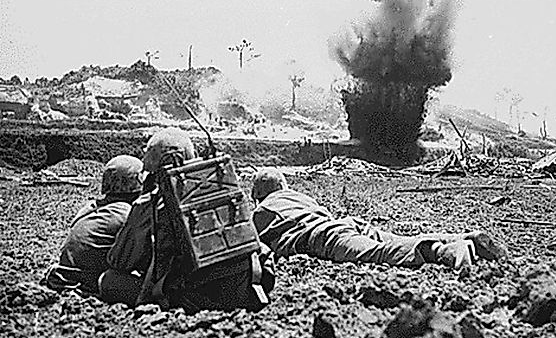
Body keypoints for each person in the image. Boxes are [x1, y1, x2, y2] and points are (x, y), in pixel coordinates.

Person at [101, 127, 274, 313]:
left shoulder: (150, 203)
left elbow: (120, 261)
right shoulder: (224, 184)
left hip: (195, 296)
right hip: (246, 286)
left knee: (109, 280)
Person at [251, 168, 505, 271]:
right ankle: (461, 238)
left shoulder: (261, 211)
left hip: (322, 236)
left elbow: (253, 246)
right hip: (345, 224)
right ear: (283, 184)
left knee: (377, 254)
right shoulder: (301, 197)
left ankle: (443, 251)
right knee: (397, 240)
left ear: (259, 194)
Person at [43, 155, 144, 295]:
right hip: (85, 281)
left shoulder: (91, 207)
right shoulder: (125, 214)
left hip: (64, 275)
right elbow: (125, 261)